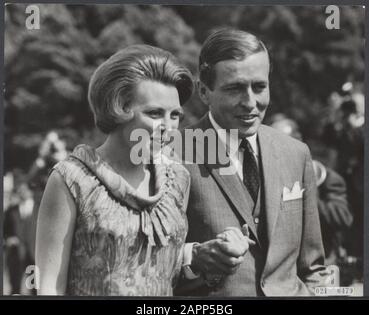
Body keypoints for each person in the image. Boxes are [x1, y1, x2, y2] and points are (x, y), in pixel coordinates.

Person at [36, 44, 198, 296]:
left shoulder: (178, 179)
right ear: (118, 107)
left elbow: (170, 269)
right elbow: (49, 288)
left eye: (175, 115)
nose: (168, 127)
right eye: (155, 113)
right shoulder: (71, 179)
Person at [176, 29, 327, 296]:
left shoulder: (296, 153)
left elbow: (313, 267)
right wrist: (194, 258)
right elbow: (148, 263)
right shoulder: (174, 152)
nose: (250, 102)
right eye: (234, 88)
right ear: (203, 91)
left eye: (259, 87)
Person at [269, 115, 353, 266]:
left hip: (319, 264)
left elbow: (343, 218)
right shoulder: (266, 177)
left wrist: (307, 193)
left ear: (299, 142)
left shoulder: (326, 178)